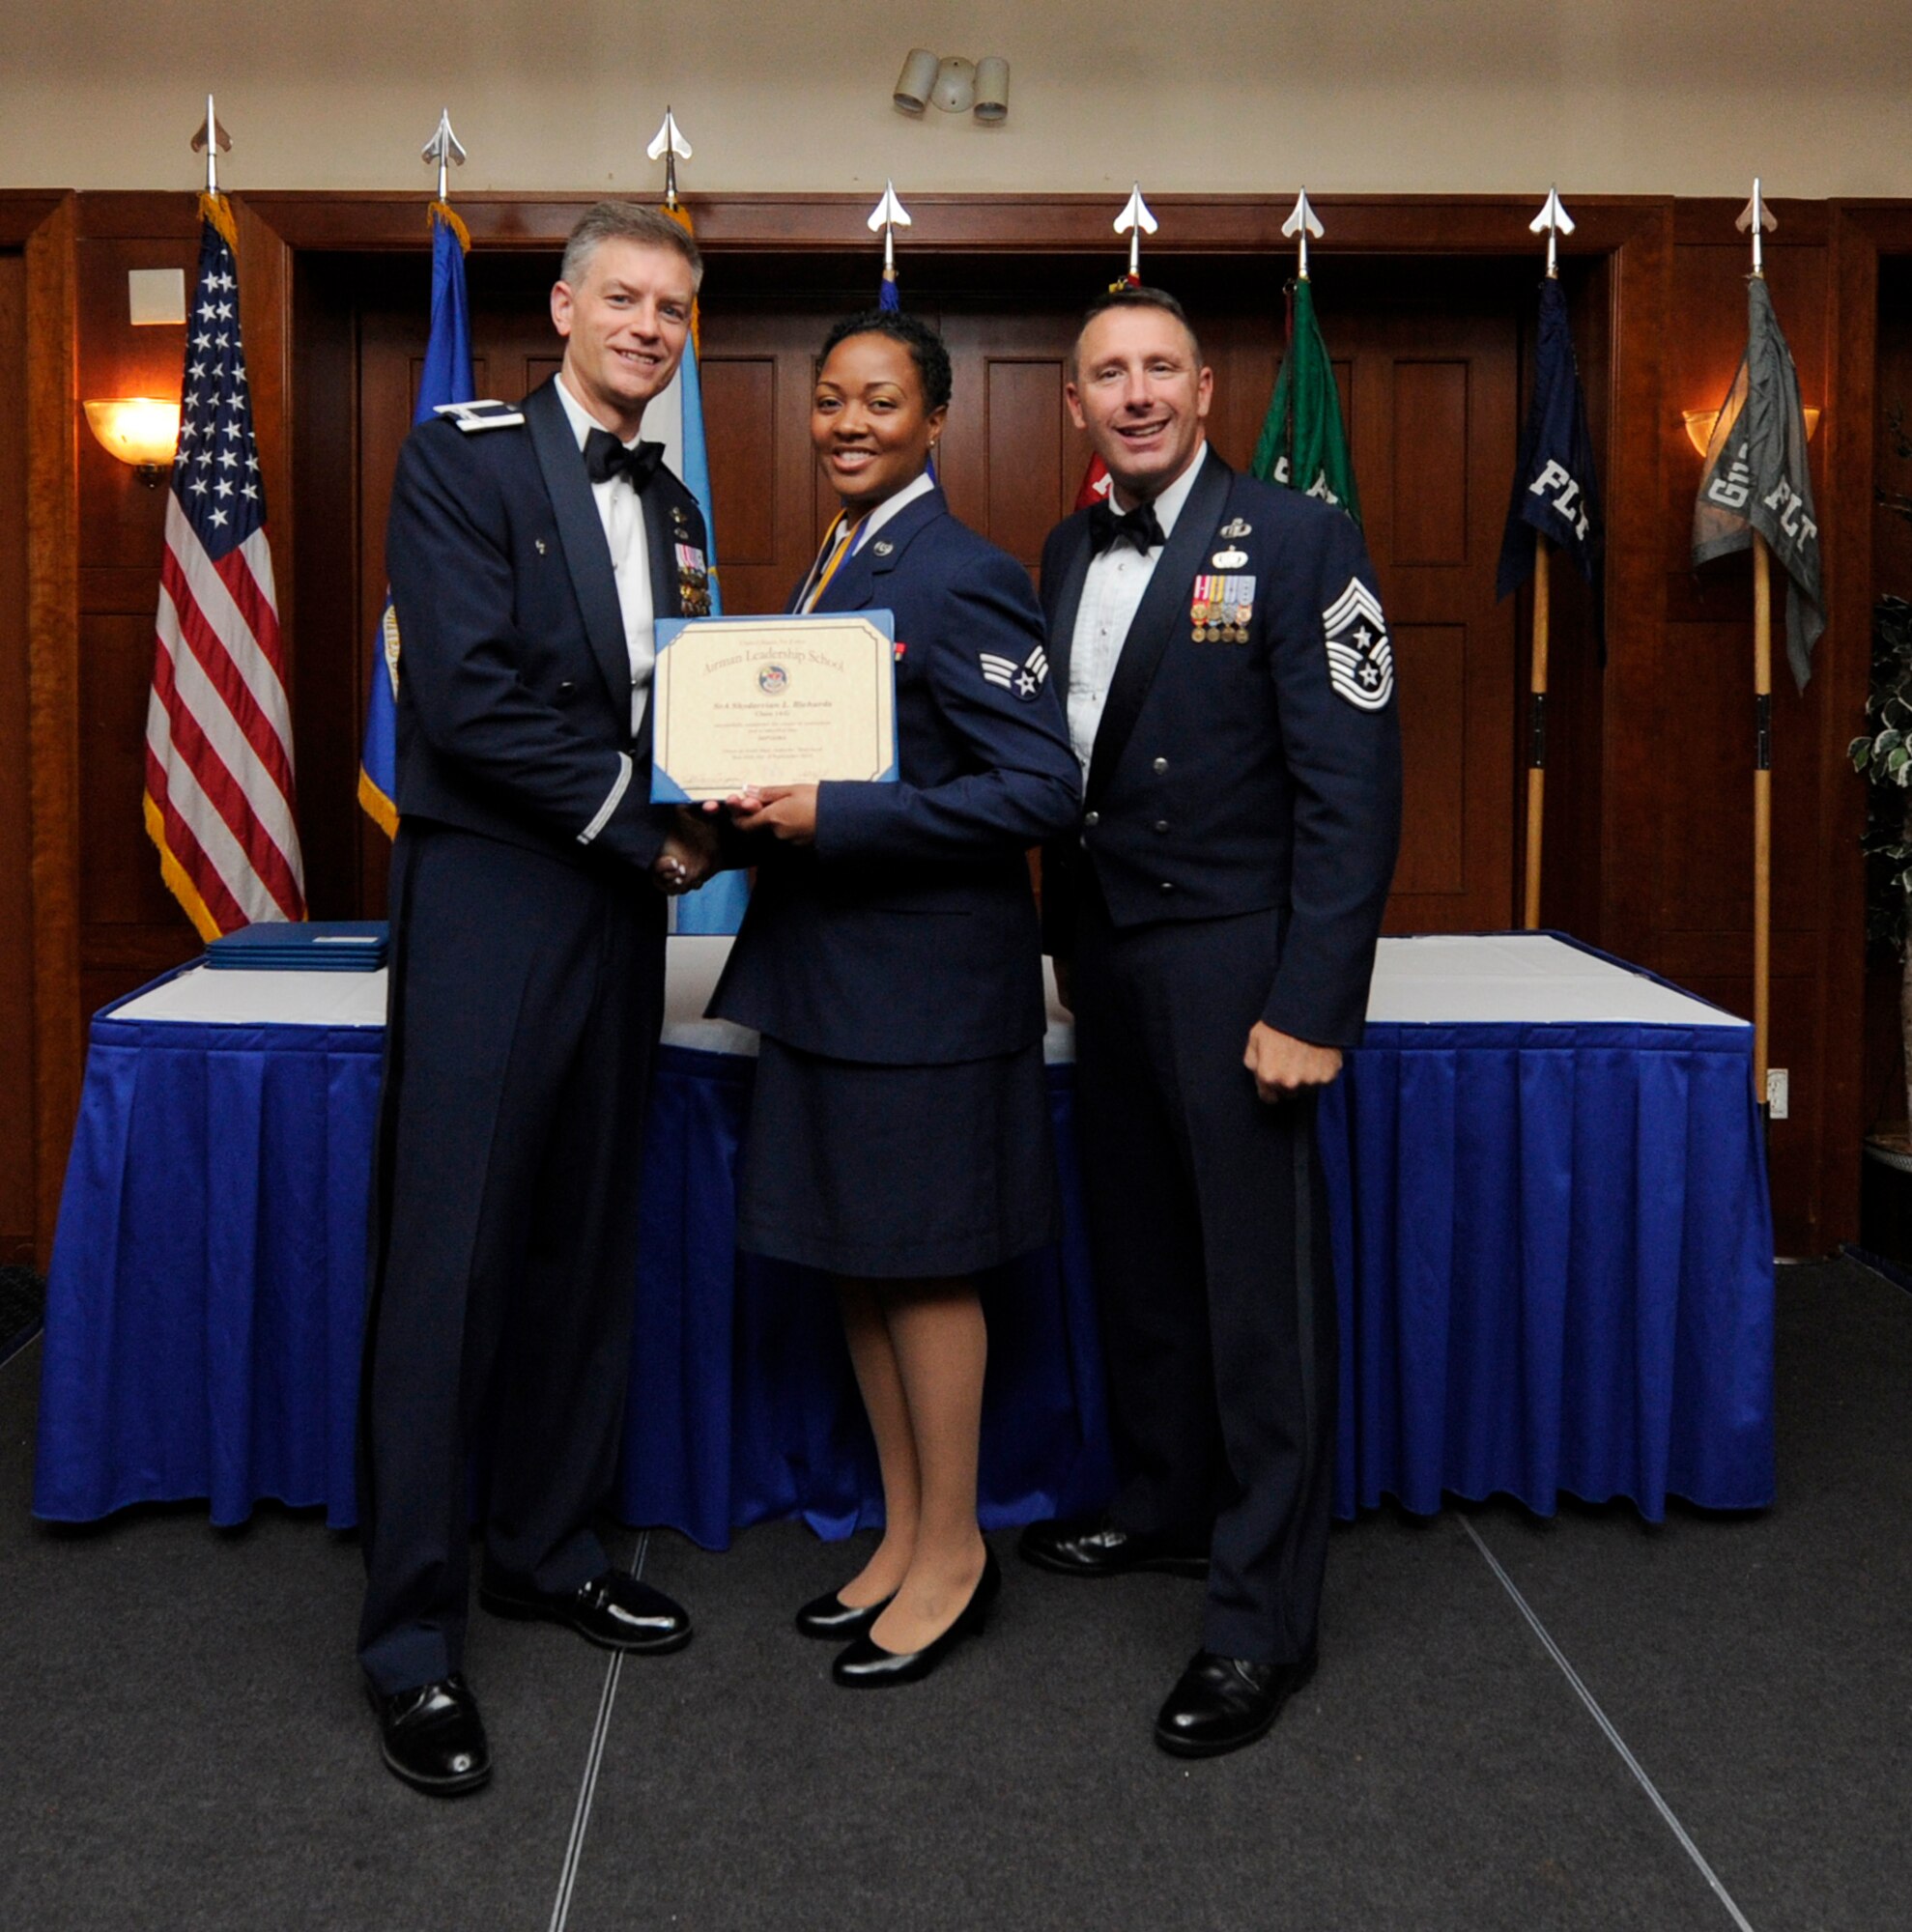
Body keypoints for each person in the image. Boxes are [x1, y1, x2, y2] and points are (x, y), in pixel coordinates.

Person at [358, 201, 721, 1795]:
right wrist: (647, 823)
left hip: (618, 907)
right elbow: (466, 689)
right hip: (504, 893)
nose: (650, 325)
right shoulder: (465, 454)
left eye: (676, 308)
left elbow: (689, 696)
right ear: (564, 306)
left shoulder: (682, 498)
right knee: (455, 1253)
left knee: (583, 1231)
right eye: (625, 297)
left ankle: (550, 1546)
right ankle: (412, 1640)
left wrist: (720, 799)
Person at [1019, 286, 1401, 1757]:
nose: (1134, 393)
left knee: (1258, 1306)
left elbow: (1352, 791)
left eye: (1159, 368)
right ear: (1074, 405)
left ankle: (1259, 1623)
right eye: (1105, 371)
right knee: (1145, 1267)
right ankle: (1166, 1510)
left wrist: (1312, 1001)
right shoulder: (1063, 547)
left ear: (1205, 389)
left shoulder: (1302, 541)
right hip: (1112, 964)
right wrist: (1067, 943)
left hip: (1243, 969)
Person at [705, 307, 1081, 1687]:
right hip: (834, 982)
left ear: (935, 421)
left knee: (923, 1266)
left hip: (924, 988)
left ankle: (958, 1552)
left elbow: (1042, 788)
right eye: (828, 402)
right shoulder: (836, 567)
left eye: (879, 403)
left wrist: (839, 819)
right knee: (860, 1266)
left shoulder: (962, 573)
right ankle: (908, 1530)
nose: (848, 424)